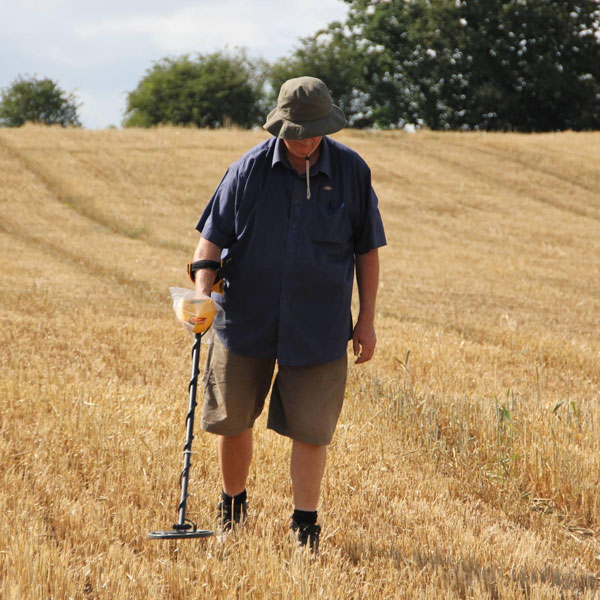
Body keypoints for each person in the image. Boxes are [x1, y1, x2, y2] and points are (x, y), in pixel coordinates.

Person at [190, 76, 386, 551]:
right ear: (280, 124)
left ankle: (305, 526)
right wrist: (200, 296)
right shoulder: (248, 170)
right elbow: (210, 241)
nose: (305, 139)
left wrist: (366, 320)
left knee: (311, 429)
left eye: (315, 129)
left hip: (318, 328)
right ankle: (232, 509)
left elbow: (367, 252)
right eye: (297, 130)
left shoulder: (352, 172)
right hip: (245, 322)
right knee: (233, 421)